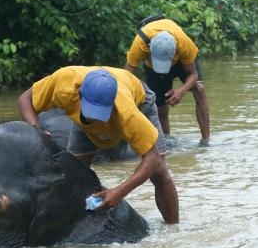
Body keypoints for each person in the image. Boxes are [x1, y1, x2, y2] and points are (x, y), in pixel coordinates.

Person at [18, 66, 180, 224]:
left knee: (158, 171)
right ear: (79, 95)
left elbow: (153, 159)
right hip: (83, 123)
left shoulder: (126, 111)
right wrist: (35, 129)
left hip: (139, 102)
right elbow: (25, 99)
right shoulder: (63, 84)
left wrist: (120, 191)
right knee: (74, 175)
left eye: (100, 113)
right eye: (92, 112)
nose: (96, 119)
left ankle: (173, 229)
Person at [125, 17, 211, 147]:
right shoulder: (140, 43)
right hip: (152, 68)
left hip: (180, 62)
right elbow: (126, 75)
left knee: (199, 89)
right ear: (149, 48)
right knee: (160, 108)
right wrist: (143, 89)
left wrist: (181, 91)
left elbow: (193, 74)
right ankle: (165, 144)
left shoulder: (184, 43)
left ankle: (206, 141)